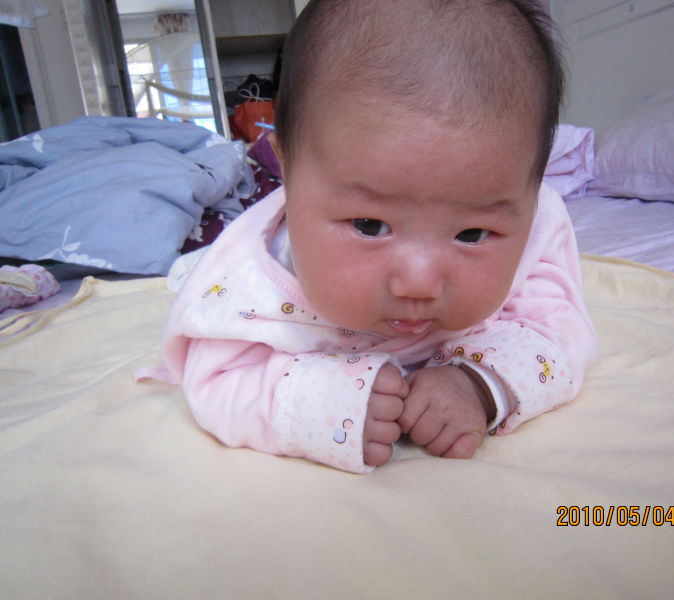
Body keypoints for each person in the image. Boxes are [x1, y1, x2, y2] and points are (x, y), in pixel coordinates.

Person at [154, 0, 598, 473]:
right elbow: (216, 378)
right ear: (288, 169)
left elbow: (559, 330)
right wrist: (320, 401)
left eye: (471, 234)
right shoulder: (254, 279)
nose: (419, 283)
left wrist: (480, 382)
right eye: (369, 226)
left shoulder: (530, 223)